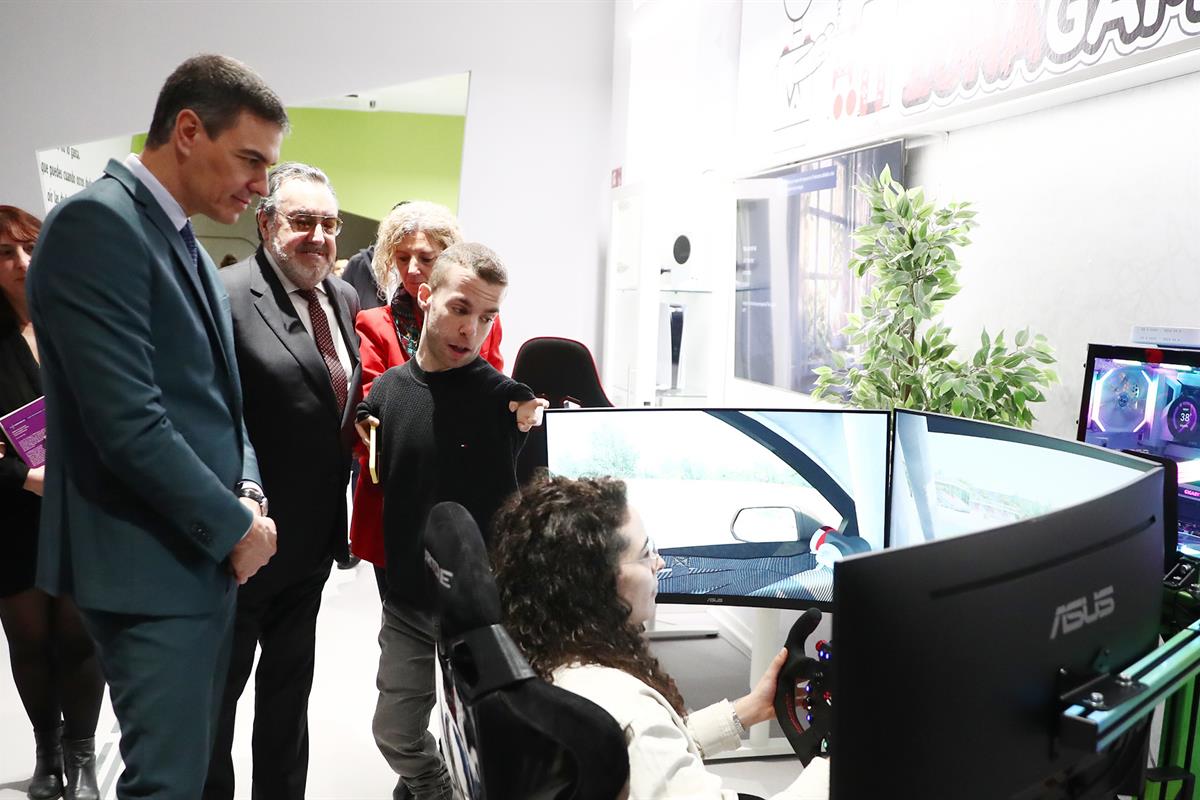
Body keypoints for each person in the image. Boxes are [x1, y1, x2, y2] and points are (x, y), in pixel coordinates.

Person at [25, 54, 282, 800]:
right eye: (250, 160)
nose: (261, 184)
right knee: (166, 785)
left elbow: (218, 403)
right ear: (189, 130)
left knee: (193, 776)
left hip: (195, 557)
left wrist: (247, 489)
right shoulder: (95, 226)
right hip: (148, 567)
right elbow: (127, 423)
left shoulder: (181, 237)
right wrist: (234, 526)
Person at [491, 475, 831, 800]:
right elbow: (643, 744)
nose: (659, 562)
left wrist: (747, 710)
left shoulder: (547, 660)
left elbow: (644, 762)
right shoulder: (628, 710)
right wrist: (834, 763)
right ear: (594, 583)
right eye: (645, 553)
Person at [355, 242, 547, 800]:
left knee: (498, 740)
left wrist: (532, 419)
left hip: (488, 608)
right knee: (394, 730)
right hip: (410, 603)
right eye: (461, 309)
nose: (473, 329)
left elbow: (528, 432)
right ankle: (432, 789)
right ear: (425, 295)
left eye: (487, 317)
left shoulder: (505, 400)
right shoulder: (387, 393)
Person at [203, 163, 361, 800]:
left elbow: (334, 402)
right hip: (245, 540)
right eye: (302, 221)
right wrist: (245, 500)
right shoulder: (227, 295)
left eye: (328, 223)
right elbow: (219, 412)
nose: (318, 236)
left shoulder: (342, 297)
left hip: (311, 544)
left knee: (290, 694)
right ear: (266, 222)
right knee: (217, 701)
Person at [0, 206, 106, 800]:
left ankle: (83, 755)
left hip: (80, 506)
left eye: (30, 248)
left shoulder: (78, 323)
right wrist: (23, 475)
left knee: (80, 635)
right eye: (4, 253)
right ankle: (47, 751)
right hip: (11, 512)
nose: (21, 264)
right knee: (30, 641)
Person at [349, 201, 504, 595]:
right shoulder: (374, 323)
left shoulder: (483, 323)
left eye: (426, 257)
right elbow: (371, 414)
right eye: (402, 257)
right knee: (402, 620)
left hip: (463, 493)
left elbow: (492, 395)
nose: (413, 268)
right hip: (395, 495)